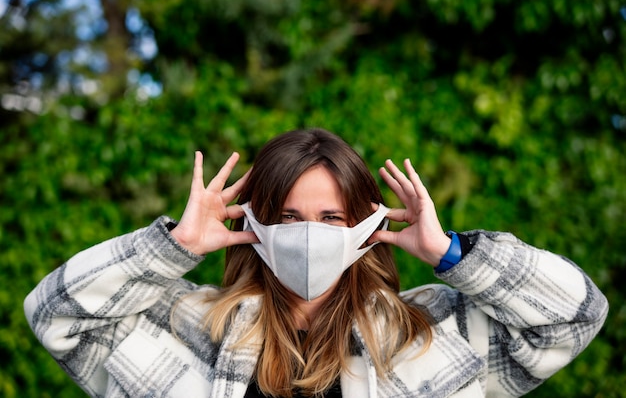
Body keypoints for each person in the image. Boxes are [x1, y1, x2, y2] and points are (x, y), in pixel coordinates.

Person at [25, 128, 607, 398]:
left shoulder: (437, 332)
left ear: (366, 225)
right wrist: (172, 248)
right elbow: (53, 315)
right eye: (286, 216)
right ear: (252, 225)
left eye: (331, 217)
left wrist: (451, 254)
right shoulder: (178, 325)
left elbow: (575, 316)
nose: (308, 235)